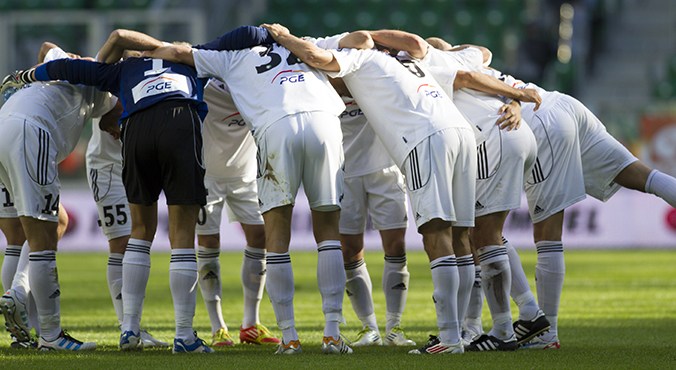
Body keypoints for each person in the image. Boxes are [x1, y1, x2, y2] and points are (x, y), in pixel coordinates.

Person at [263, 25, 480, 355]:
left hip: (406, 154)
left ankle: (438, 335)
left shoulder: (358, 60)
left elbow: (319, 54)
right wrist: (518, 94)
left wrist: (285, 37)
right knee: (458, 235)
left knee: (433, 236)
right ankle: (457, 331)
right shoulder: (408, 62)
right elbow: (441, 50)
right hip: (451, 136)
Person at [142, 27, 351, 355]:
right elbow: (358, 41)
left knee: (275, 236)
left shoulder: (228, 58)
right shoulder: (304, 45)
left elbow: (179, 52)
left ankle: (289, 336)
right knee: (328, 232)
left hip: (274, 130)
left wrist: (141, 58)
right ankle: (332, 334)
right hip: (324, 123)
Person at [417, 42, 547, 351]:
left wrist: (518, 98)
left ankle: (504, 330)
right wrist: (515, 98)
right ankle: (500, 319)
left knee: (484, 236)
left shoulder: (432, 65)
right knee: (483, 235)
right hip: (516, 132)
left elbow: (463, 77)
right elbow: (482, 57)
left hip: (492, 137)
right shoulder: (470, 55)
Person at [0, 41, 117, 351]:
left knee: (31, 231)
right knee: (44, 237)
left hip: (4, 124)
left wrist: (59, 61)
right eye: (124, 125)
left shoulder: (67, 66)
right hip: (29, 131)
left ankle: (24, 329)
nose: (119, 133)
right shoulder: (106, 84)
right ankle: (50, 334)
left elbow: (46, 48)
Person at [307, 33, 415, 348]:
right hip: (345, 171)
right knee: (350, 251)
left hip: (385, 167)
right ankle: (369, 328)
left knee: (395, 245)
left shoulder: (379, 70)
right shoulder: (324, 76)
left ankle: (394, 328)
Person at [195, 78, 279, 347]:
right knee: (209, 243)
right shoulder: (203, 87)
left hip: (246, 178)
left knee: (260, 237)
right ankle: (218, 327)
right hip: (207, 178)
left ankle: (250, 325)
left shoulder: (255, 85)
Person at [85, 102, 169, 349]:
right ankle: (128, 328)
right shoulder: (109, 68)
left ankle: (132, 326)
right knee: (121, 243)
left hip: (138, 163)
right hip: (107, 168)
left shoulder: (152, 65)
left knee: (140, 239)